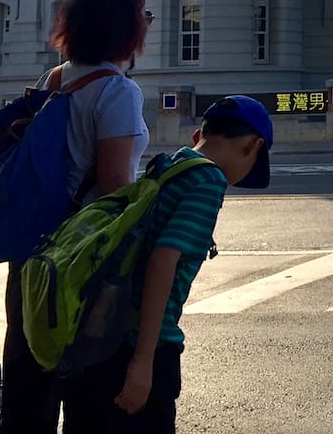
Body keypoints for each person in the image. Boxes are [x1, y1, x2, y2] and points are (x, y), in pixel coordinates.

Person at [59, 95, 273, 433]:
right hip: (140, 345)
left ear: (197, 136)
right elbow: (163, 260)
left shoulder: (167, 165)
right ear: (253, 146)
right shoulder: (208, 180)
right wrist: (143, 363)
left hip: (96, 338)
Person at [3, 0, 151, 434]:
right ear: (125, 29)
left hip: (32, 253)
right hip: (84, 263)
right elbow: (113, 189)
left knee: (28, 391)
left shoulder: (52, 80)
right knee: (90, 396)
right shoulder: (116, 92)